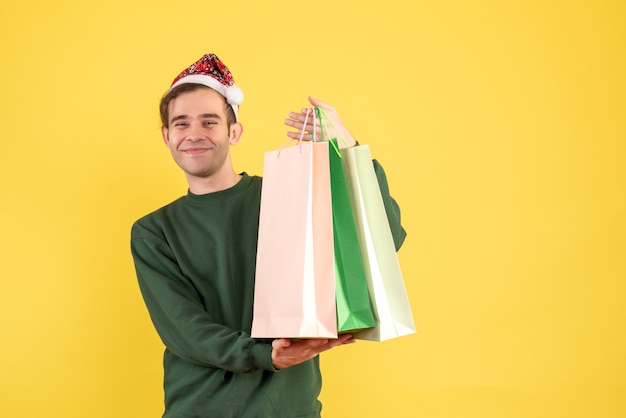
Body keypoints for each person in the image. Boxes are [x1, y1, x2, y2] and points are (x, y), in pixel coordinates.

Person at [131, 53, 406, 418]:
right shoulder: (154, 231)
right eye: (181, 124)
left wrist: (350, 151)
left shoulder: (287, 192)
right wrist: (263, 354)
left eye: (209, 121)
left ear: (234, 131)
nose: (194, 134)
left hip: (290, 410)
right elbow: (185, 329)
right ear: (167, 136)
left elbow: (383, 239)